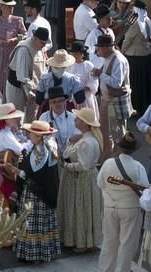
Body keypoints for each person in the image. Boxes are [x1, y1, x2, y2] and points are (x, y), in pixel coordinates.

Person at [10, 120, 61, 262]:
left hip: (35, 194)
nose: (29, 136)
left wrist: (15, 170)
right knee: (42, 222)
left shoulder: (40, 152)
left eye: (31, 134)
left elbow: (31, 175)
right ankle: (42, 252)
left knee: (32, 222)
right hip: (45, 192)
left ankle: (32, 254)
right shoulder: (48, 146)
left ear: (39, 137)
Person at [97, 133, 148, 272]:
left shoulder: (108, 163)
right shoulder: (138, 166)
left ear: (120, 147)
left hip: (110, 207)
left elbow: (100, 183)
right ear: (134, 150)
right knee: (127, 244)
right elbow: (145, 190)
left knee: (109, 242)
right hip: (130, 208)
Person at [58, 108, 102, 251]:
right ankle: (76, 239)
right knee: (76, 208)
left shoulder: (87, 143)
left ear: (84, 123)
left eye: (77, 119)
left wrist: (66, 166)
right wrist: (71, 142)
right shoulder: (82, 139)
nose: (75, 120)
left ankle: (83, 242)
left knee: (81, 208)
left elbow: (84, 165)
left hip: (82, 180)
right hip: (76, 180)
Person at [94, 34, 134, 161]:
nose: (97, 51)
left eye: (99, 48)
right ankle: (107, 158)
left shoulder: (119, 60)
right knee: (104, 131)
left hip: (116, 102)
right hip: (107, 100)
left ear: (106, 48)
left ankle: (119, 161)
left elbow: (117, 83)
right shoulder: (108, 58)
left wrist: (101, 74)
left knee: (118, 133)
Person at [6, 27, 49, 122]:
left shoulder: (41, 47)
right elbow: (22, 76)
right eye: (42, 43)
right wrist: (30, 92)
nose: (44, 45)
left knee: (32, 118)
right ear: (35, 38)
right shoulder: (24, 49)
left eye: (45, 43)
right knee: (17, 117)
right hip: (17, 86)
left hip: (33, 87)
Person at [122, 0, 151, 116]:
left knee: (135, 84)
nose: (131, 10)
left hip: (134, 57)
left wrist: (121, 52)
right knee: (145, 83)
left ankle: (136, 108)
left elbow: (128, 40)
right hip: (145, 55)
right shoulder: (146, 20)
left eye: (133, 8)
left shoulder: (136, 23)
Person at [0, 0, 27, 93]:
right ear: (2, 8)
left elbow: (25, 34)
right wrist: (2, 42)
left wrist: (15, 39)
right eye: (9, 7)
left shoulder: (18, 20)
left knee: (11, 74)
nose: (11, 9)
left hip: (13, 52)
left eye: (12, 6)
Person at [39, 86, 79, 155]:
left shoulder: (73, 117)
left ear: (65, 102)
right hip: (50, 155)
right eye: (54, 102)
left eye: (60, 100)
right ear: (50, 104)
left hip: (70, 155)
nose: (58, 104)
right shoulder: (44, 117)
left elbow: (78, 137)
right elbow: (39, 137)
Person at [67, 41, 99, 116]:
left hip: (85, 99)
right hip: (72, 99)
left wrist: (79, 89)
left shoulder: (88, 65)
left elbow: (93, 83)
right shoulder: (68, 65)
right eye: (73, 53)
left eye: (77, 54)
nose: (75, 55)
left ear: (82, 54)